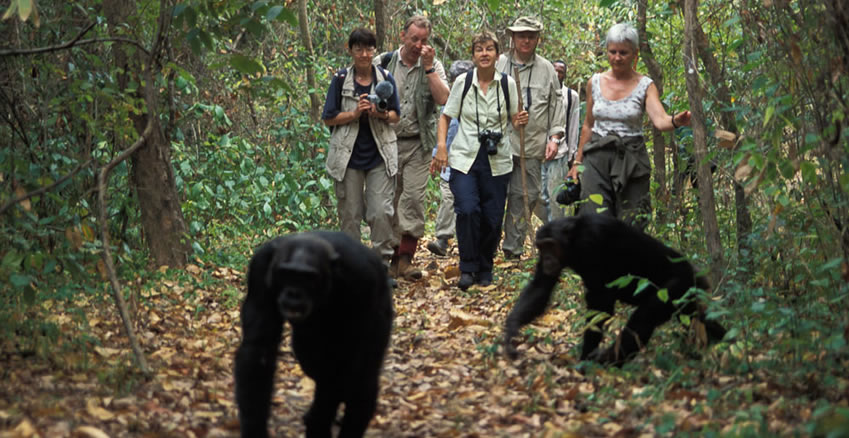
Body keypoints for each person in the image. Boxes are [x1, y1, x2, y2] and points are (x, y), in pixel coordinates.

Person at [568, 22, 691, 229]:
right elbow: (588, 125)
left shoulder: (645, 85)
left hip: (631, 157)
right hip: (596, 157)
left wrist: (675, 121)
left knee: (633, 220)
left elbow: (659, 120)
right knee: (594, 218)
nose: (617, 57)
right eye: (613, 52)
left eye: (623, 53)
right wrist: (577, 162)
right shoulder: (595, 82)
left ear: (635, 54)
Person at [432, 31, 528, 291]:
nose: (484, 53)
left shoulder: (507, 83)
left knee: (493, 217)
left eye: (489, 49)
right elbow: (445, 117)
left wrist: (519, 120)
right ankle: (468, 266)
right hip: (464, 157)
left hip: (498, 159)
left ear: (497, 54)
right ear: (473, 55)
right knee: (466, 209)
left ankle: (485, 267)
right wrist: (442, 147)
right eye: (479, 49)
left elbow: (514, 117)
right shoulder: (463, 82)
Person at [375, 15, 450, 280]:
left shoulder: (434, 65)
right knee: (388, 202)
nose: (419, 45)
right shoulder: (383, 63)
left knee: (414, 201)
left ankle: (405, 260)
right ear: (402, 36)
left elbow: (445, 100)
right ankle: (387, 261)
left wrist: (428, 69)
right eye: (414, 39)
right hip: (386, 142)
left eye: (424, 40)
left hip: (419, 143)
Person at [322, 28, 401, 263]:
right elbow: (328, 118)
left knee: (380, 212)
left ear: (374, 50)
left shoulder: (385, 78)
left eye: (368, 49)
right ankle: (351, 266)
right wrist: (355, 113)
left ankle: (381, 266)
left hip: (380, 155)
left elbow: (396, 115)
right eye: (359, 49)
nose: (364, 54)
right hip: (348, 158)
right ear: (350, 50)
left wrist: (380, 114)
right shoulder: (340, 80)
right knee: (350, 214)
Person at [495, 16, 565, 260]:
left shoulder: (547, 69)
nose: (526, 40)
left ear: (538, 39)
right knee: (493, 195)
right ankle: (487, 246)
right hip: (499, 145)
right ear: (512, 37)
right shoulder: (498, 63)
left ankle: (512, 250)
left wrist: (554, 138)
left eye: (531, 35)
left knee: (525, 195)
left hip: (532, 145)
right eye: (521, 35)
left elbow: (557, 107)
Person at [426, 60, 474, 257]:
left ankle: (471, 243)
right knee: (447, 198)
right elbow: (444, 132)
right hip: (449, 163)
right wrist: (437, 156)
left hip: (471, 164)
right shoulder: (448, 105)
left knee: (469, 204)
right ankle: (443, 239)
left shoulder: (477, 103)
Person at [536, 59, 581, 222]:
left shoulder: (571, 96)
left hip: (560, 154)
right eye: (554, 70)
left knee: (556, 197)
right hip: (538, 153)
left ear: (564, 75)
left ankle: (557, 234)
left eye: (560, 71)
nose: (556, 74)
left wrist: (572, 156)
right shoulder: (539, 93)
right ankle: (548, 226)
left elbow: (574, 125)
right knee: (538, 197)